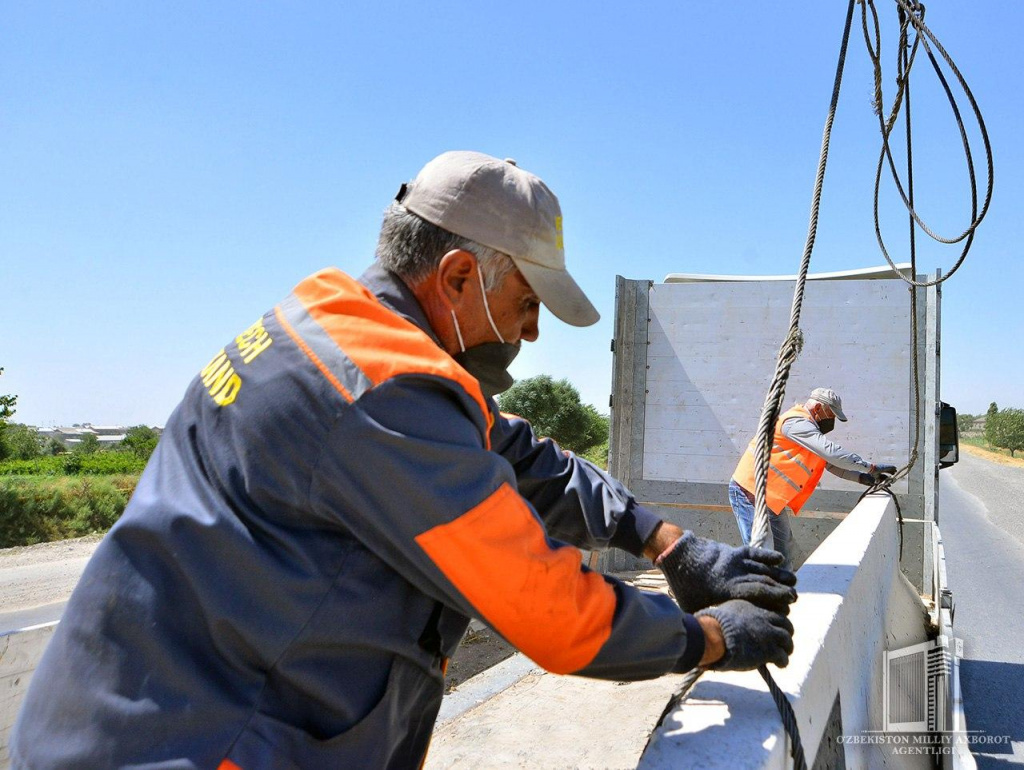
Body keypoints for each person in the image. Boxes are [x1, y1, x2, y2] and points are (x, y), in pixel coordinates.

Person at [12, 151, 797, 769]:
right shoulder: (380, 392)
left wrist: (667, 543)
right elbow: (550, 611)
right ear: (458, 277)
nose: (530, 334)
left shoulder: (336, 324)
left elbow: (515, 450)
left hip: (134, 721)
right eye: (527, 304)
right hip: (190, 746)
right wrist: (710, 637)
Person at [730, 387, 898, 569]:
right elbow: (832, 454)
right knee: (762, 552)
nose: (832, 421)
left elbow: (831, 464)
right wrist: (870, 467)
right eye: (831, 414)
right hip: (749, 491)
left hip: (769, 497)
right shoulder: (796, 423)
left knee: (784, 549)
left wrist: (863, 478)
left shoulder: (809, 432)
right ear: (818, 408)